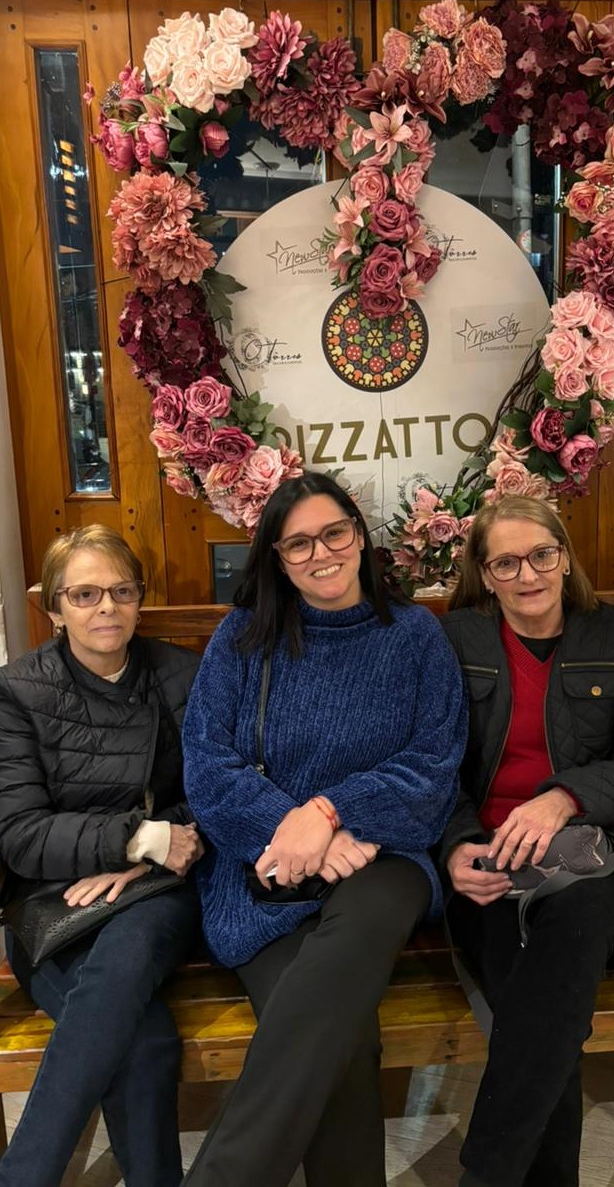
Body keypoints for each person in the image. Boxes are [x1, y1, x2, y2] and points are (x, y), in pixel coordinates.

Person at [180, 471, 466, 1187]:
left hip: (384, 858)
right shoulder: (243, 639)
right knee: (341, 1039)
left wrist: (329, 812)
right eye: (298, 543)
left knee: (356, 944)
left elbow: (433, 765)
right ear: (278, 559)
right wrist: (293, 829)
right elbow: (207, 767)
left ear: (359, 536)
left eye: (334, 532)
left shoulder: (414, 635)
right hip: (264, 871)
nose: (321, 553)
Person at [439, 494, 614, 1187]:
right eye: (505, 563)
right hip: (487, 859)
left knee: (552, 978)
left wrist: (563, 797)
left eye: (541, 554)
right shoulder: (455, 640)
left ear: (565, 557)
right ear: (485, 575)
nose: (528, 574)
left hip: (586, 858)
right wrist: (455, 845)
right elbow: (428, 765)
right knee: (543, 1010)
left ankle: (488, 1173)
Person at [0, 525, 203, 1187]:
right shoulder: (16, 691)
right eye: (84, 594)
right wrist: (137, 838)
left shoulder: (181, 675)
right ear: (54, 609)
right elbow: (21, 834)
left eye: (122, 590)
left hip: (155, 892)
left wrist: (155, 851)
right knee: (145, 1040)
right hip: (52, 906)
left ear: (140, 600)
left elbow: (214, 795)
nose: (107, 607)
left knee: (130, 946)